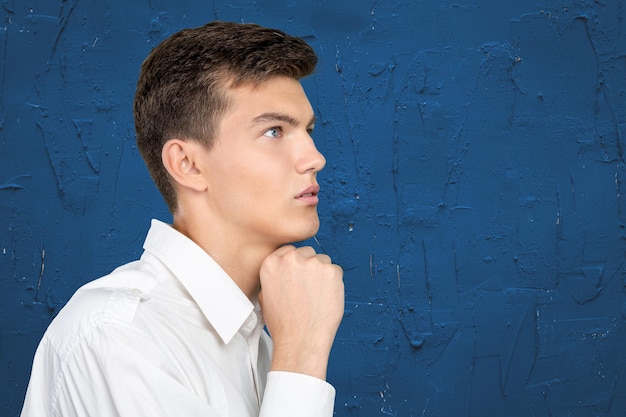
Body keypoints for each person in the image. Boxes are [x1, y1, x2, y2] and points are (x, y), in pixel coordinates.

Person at [21, 21, 344, 417]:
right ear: (187, 164)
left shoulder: (258, 340)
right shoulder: (118, 336)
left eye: (307, 130)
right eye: (275, 131)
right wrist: (301, 359)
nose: (314, 158)